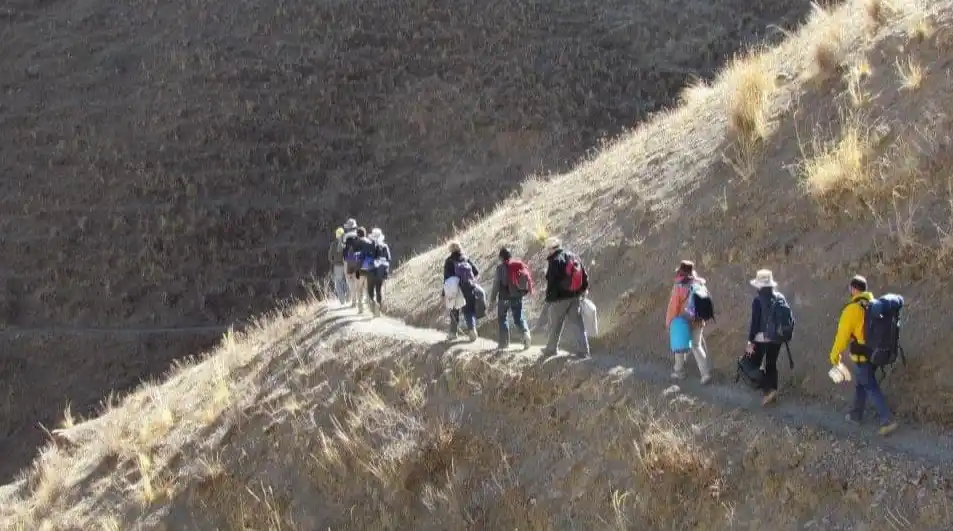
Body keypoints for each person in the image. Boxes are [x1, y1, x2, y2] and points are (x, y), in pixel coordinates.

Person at [829, 275, 899, 436]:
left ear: (853, 289)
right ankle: (856, 414)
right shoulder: (873, 305)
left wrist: (834, 355)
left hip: (862, 356)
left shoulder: (852, 309)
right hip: (875, 353)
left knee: (870, 385)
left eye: (850, 288)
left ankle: (887, 420)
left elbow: (842, 336)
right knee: (862, 382)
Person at [664, 260, 712, 384]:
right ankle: (705, 374)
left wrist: (669, 322)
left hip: (683, 322)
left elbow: (673, 307)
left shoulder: (679, 286)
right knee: (697, 346)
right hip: (698, 320)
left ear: (681, 272)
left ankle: (679, 372)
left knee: (679, 347)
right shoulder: (699, 284)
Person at [541, 237, 590, 358]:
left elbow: (552, 282)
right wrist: (583, 289)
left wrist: (549, 300)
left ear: (551, 249)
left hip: (559, 298)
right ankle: (583, 351)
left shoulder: (555, 260)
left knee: (556, 324)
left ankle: (551, 349)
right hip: (575, 296)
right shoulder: (573, 256)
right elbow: (583, 274)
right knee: (578, 324)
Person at [745, 269, 786, 405]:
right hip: (778, 338)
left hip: (762, 338)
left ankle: (767, 390)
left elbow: (755, 323)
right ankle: (772, 391)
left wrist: (750, 341)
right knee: (771, 363)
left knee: (752, 364)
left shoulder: (757, 300)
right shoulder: (780, 297)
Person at [489, 246, 531, 350]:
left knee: (503, 318)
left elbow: (496, 285)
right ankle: (526, 334)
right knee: (518, 318)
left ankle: (504, 344)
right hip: (517, 297)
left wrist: (492, 299)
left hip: (504, 298)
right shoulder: (517, 266)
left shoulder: (500, 268)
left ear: (501, 258)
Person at [442, 241, 480, 341]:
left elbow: (446, 279)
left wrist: (444, 293)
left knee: (454, 311)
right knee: (469, 310)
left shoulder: (449, 261)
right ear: (460, 248)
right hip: (468, 287)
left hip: (456, 290)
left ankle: (453, 333)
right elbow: (476, 272)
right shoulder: (466, 258)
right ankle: (472, 331)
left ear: (450, 249)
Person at [365, 227, 391, 317]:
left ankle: (373, 307)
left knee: (370, 291)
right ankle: (378, 308)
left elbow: (366, 260)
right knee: (379, 291)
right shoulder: (385, 246)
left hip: (371, 272)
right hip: (380, 273)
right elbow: (389, 259)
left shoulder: (368, 246)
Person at [341, 218, 361, 308]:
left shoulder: (345, 237)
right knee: (357, 280)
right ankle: (360, 299)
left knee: (350, 280)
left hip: (347, 260)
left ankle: (354, 301)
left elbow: (342, 249)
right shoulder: (359, 236)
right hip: (358, 259)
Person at [328, 227, 349, 304]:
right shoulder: (346, 243)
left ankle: (342, 301)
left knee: (338, 283)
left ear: (336, 235)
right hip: (347, 266)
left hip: (337, 266)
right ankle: (348, 298)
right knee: (347, 282)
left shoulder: (333, 244)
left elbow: (330, 257)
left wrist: (333, 262)